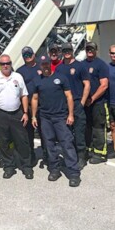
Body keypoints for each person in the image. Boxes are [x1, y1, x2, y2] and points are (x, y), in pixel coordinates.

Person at [31, 55, 81, 187]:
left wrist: (71, 115)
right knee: (49, 145)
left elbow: (69, 96)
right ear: (40, 66)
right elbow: (35, 99)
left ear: (50, 64)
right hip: (45, 118)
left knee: (67, 144)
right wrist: (34, 116)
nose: (45, 66)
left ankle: (74, 173)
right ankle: (54, 170)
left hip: (60, 117)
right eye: (43, 64)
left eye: (47, 64)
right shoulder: (37, 80)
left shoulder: (61, 78)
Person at [0, 54, 33, 179]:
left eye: (7, 63)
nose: (5, 65)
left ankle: (26, 167)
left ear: (11, 63)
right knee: (3, 142)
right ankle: (9, 166)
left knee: (22, 141)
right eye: (2, 64)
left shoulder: (17, 77)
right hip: (0, 113)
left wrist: (25, 113)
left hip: (17, 113)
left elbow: (24, 95)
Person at [55, 42, 90, 169]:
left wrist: (82, 102)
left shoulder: (80, 66)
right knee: (66, 133)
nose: (67, 53)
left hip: (77, 103)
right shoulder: (59, 68)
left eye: (69, 50)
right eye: (64, 51)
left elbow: (87, 84)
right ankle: (71, 156)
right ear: (62, 53)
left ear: (72, 51)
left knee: (79, 131)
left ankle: (81, 156)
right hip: (63, 105)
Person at [81, 42, 110, 164]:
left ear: (96, 50)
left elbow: (104, 85)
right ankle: (88, 150)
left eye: (92, 49)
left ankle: (100, 153)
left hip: (98, 102)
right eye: (88, 49)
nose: (90, 51)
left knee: (98, 127)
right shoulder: (81, 64)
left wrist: (92, 98)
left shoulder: (101, 65)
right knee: (86, 127)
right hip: (84, 103)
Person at [16, 46, 42, 166]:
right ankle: (31, 155)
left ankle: (47, 155)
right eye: (25, 55)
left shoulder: (41, 67)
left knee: (45, 133)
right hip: (27, 107)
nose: (28, 57)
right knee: (28, 133)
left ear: (34, 54)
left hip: (42, 105)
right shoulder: (19, 71)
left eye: (29, 54)